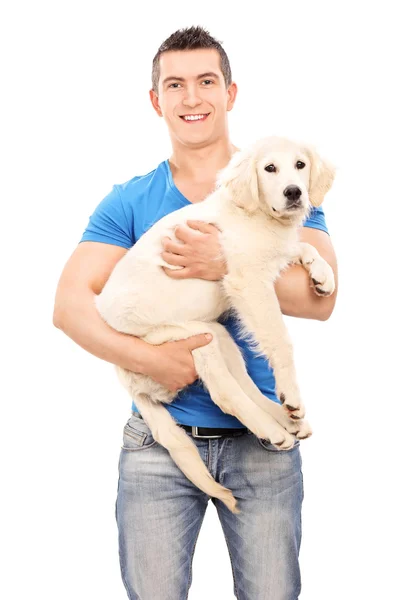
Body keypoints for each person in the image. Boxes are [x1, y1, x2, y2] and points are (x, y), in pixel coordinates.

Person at [53, 25, 338, 600]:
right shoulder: (130, 199)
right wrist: (149, 361)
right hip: (157, 448)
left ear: (230, 93)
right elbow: (69, 306)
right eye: (175, 85)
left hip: (264, 448)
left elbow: (322, 302)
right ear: (156, 101)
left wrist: (223, 262)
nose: (191, 98)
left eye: (207, 81)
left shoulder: (283, 182)